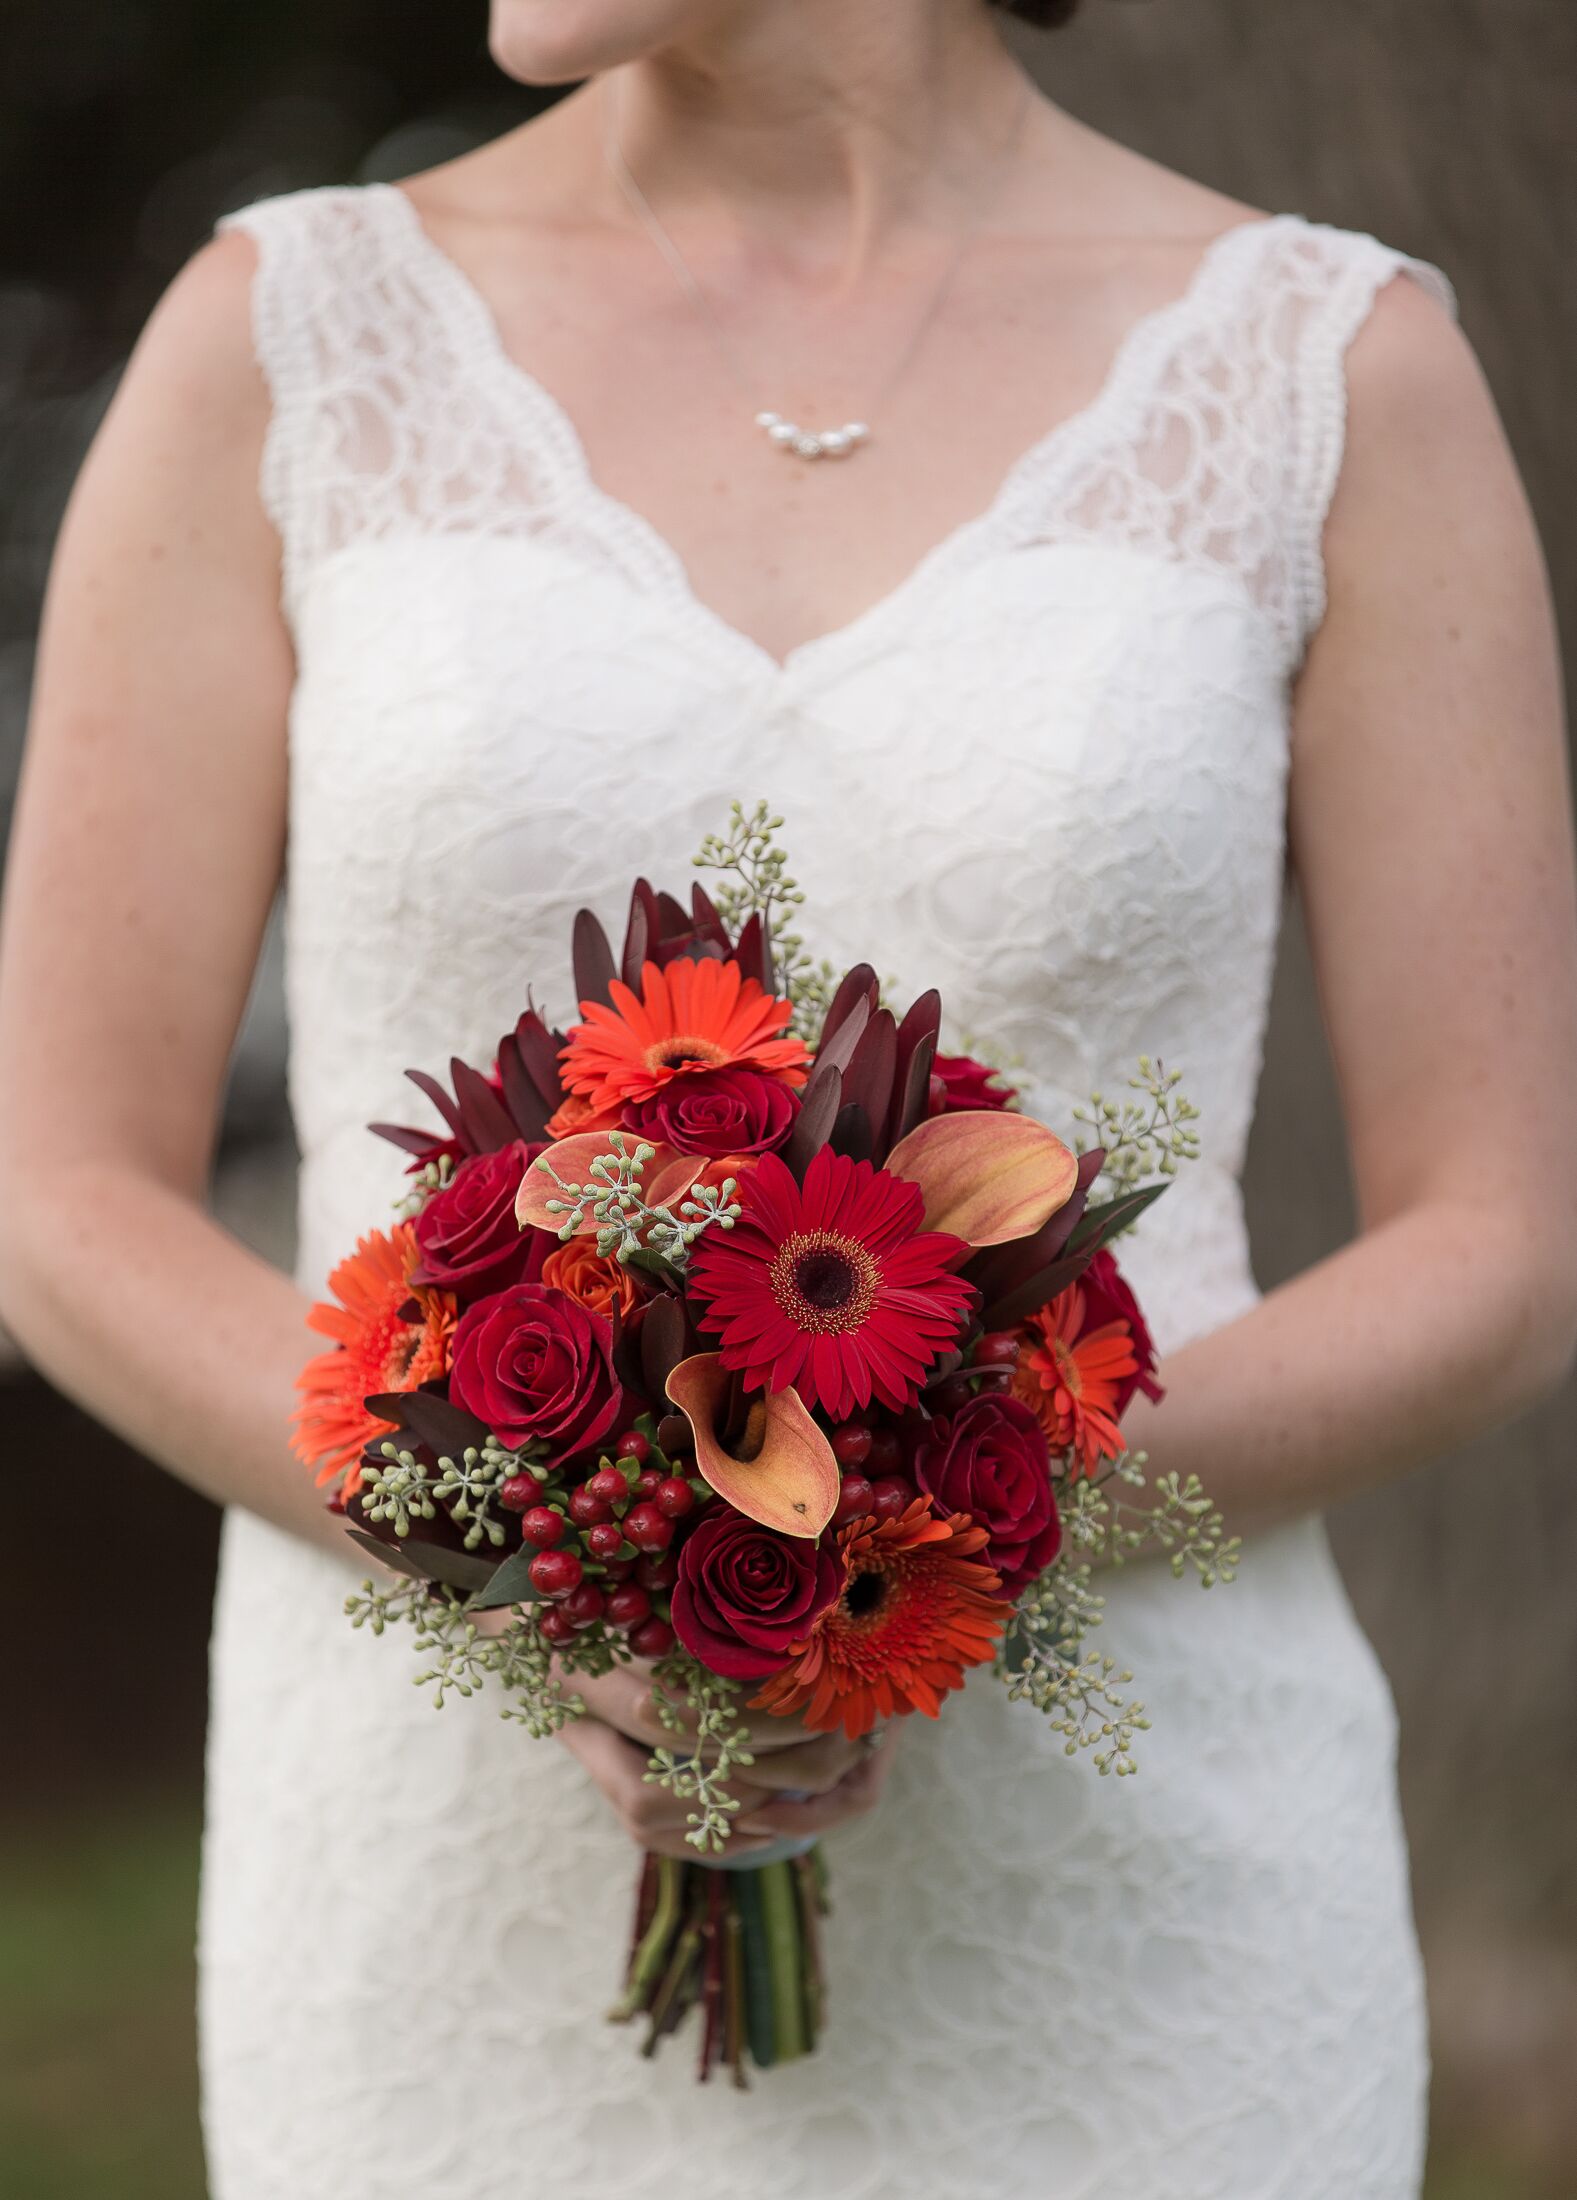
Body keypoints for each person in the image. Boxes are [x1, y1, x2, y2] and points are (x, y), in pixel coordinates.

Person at [2, 1, 1574, 2193]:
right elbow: (58, 1186)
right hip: (451, 1926)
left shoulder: (1334, 373)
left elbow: (1503, 1238)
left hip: (1143, 1917)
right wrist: (550, 1546)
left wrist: (923, 1535)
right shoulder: (284, 337)